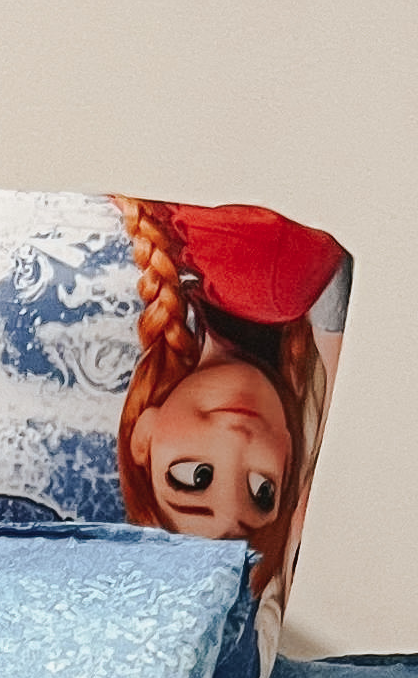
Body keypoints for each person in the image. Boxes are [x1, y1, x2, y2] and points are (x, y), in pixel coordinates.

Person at [112, 198, 348, 607]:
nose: (236, 440)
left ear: (143, 437)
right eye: (261, 491)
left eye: (196, 477)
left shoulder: (256, 285)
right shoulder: (271, 290)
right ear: (288, 458)